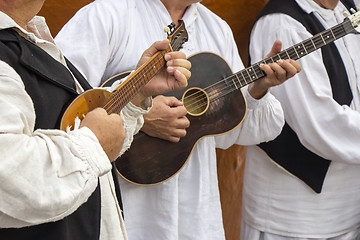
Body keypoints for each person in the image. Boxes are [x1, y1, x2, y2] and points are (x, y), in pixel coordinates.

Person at [55, 0, 301, 239]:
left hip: (195, 217)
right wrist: (140, 112)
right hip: (128, 214)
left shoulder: (217, 29)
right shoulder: (106, 15)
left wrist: (257, 89)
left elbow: (231, 131)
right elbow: (60, 105)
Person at [0, 0, 191, 239]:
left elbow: (75, 123)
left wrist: (136, 93)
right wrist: (93, 145)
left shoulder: (28, 38)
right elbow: (7, 176)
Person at [242, 0, 360, 239]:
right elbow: (320, 125)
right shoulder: (283, 24)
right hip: (296, 219)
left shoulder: (348, 7)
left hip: (349, 209)